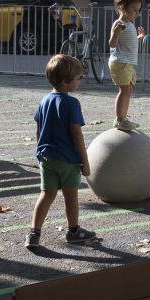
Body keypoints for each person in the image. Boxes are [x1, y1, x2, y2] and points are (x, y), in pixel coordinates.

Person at [25, 54, 95, 249]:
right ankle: (73, 231)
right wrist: (85, 161)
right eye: (78, 78)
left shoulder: (44, 100)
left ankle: (34, 233)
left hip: (47, 156)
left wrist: (40, 152)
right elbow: (76, 134)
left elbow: (38, 129)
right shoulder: (71, 103)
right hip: (67, 158)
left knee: (46, 195)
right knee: (70, 196)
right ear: (66, 82)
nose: (79, 81)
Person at [107, 0, 145, 131]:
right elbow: (112, 43)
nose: (136, 13)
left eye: (138, 10)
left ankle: (123, 117)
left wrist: (138, 38)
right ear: (122, 7)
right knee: (124, 90)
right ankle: (120, 119)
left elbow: (127, 42)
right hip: (120, 62)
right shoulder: (119, 23)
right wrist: (116, 33)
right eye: (134, 10)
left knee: (128, 90)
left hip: (127, 63)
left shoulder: (129, 24)